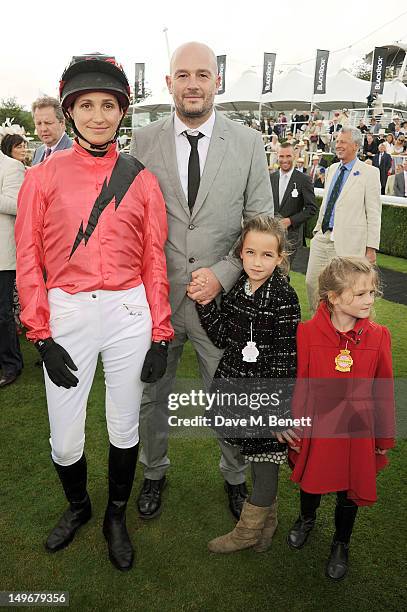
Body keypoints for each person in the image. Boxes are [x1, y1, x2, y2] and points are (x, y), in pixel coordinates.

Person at [15, 53, 173, 572]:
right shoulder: (41, 177)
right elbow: (29, 261)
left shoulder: (141, 179)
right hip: (66, 312)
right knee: (64, 436)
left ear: (121, 112)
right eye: (88, 106)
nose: (99, 115)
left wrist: (161, 332)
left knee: (123, 425)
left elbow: (154, 257)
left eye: (109, 105)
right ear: (70, 111)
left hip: (129, 310)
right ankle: (80, 506)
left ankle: (115, 517)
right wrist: (40, 335)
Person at [130, 41, 273, 521]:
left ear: (218, 81)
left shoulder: (250, 143)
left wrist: (225, 272)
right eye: (183, 75)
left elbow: (262, 222)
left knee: (229, 393)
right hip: (157, 301)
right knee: (153, 393)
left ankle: (234, 477)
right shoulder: (143, 142)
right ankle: (153, 472)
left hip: (224, 300)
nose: (193, 83)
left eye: (203, 75)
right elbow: (130, 220)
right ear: (169, 83)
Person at [192, 216, 300, 553]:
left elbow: (286, 359)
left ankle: (247, 532)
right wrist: (206, 305)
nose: (256, 261)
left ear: (281, 258)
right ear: (241, 253)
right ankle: (267, 524)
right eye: (250, 252)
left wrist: (281, 411)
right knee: (255, 458)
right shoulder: (240, 285)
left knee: (265, 463)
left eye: (266, 255)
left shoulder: (285, 296)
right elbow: (224, 335)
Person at [287, 257, 395, 581]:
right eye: (360, 294)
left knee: (350, 490)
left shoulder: (379, 336)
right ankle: (307, 519)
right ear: (333, 297)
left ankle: (341, 541)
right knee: (312, 479)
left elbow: (384, 391)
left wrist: (383, 439)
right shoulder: (306, 333)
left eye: (372, 293)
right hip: (318, 427)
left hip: (358, 431)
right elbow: (300, 383)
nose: (369, 300)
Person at [305, 127, 381, 312]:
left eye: (343, 142)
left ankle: (338, 329)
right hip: (322, 237)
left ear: (355, 146)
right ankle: (320, 323)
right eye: (337, 141)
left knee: (344, 290)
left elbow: (374, 213)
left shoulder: (369, 173)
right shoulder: (331, 169)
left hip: (348, 242)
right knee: (312, 283)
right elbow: (327, 203)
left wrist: (371, 248)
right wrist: (317, 231)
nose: (338, 145)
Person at [0, 144, 25, 387]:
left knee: (3, 315)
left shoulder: (12, 166)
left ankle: (11, 365)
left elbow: (16, 205)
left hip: (3, 257)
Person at [270, 143, 317, 263]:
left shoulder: (304, 180)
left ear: (294, 156)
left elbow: (311, 209)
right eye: (281, 156)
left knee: (282, 273)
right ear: (277, 156)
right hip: (270, 235)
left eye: (288, 156)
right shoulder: (270, 178)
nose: (284, 160)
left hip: (291, 237)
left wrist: (290, 221)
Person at [31, 96, 72, 165]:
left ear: (62, 123)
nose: (43, 129)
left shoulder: (76, 152)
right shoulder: (38, 152)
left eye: (48, 123)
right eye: (39, 123)